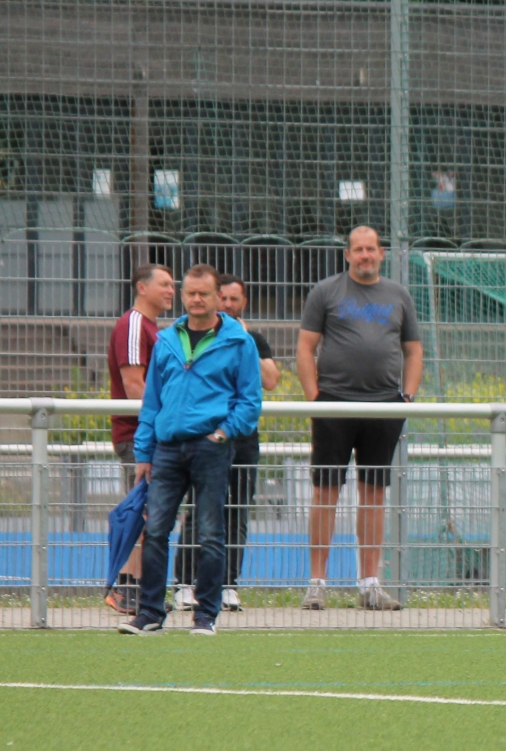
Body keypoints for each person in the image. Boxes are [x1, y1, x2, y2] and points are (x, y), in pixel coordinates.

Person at [118, 264, 264, 636]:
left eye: (204, 293)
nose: (196, 299)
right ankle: (150, 613)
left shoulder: (239, 341)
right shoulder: (167, 339)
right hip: (167, 449)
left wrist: (223, 434)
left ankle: (205, 616)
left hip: (211, 448)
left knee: (211, 533)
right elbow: (151, 402)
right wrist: (144, 452)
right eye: (190, 293)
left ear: (218, 297)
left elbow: (250, 401)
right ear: (183, 296)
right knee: (155, 531)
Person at [297, 225, 423, 611]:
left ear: (381, 253)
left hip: (383, 406)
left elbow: (414, 350)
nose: (365, 255)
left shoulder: (398, 295)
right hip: (333, 405)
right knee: (326, 492)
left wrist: (406, 397)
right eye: (358, 249)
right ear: (348, 255)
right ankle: (317, 583)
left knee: (373, 493)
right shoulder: (325, 292)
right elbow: (305, 347)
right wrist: (315, 399)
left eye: (371, 249)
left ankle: (370, 584)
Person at [172, 274, 280, 613]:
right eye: (225, 298)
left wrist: (245, 340)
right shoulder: (200, 337)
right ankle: (185, 583)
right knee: (199, 509)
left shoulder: (252, 339)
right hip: (205, 437)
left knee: (237, 511)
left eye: (236, 299)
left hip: (243, 439)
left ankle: (228, 584)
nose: (229, 305)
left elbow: (271, 381)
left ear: (243, 302)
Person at [103, 262, 176, 614]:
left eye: (173, 285)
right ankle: (127, 588)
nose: (172, 291)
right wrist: (166, 424)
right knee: (142, 512)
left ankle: (141, 590)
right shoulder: (134, 324)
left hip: (146, 434)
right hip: (138, 436)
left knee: (152, 512)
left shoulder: (151, 328)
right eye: (165, 284)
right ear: (141, 287)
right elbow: (134, 385)